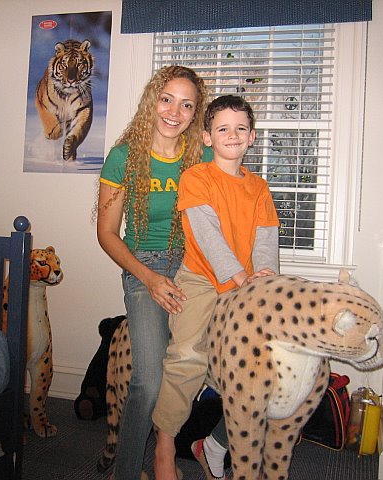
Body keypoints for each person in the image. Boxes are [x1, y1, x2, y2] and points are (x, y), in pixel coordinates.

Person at [152, 95, 280, 480]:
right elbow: (208, 236)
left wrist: (265, 278)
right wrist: (239, 279)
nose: (233, 134)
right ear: (208, 137)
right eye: (223, 128)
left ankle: (216, 444)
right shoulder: (197, 178)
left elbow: (266, 239)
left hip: (245, 285)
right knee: (187, 355)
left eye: (241, 128)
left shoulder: (259, 187)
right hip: (202, 279)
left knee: (263, 366)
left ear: (252, 136)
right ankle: (164, 444)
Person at [96, 65, 212, 480]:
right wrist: (149, 278)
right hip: (144, 265)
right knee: (147, 378)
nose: (174, 112)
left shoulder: (203, 155)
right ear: (152, 101)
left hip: (194, 265)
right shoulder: (124, 157)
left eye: (187, 105)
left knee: (204, 363)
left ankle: (187, 448)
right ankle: (125, 473)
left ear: (195, 113)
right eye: (167, 100)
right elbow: (107, 234)